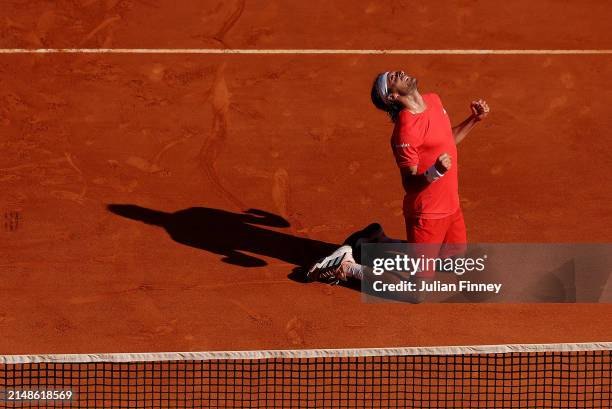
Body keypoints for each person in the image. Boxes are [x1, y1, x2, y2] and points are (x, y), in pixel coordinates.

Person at [307, 70, 489, 301]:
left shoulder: (433, 100)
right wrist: (435, 172)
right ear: (391, 97)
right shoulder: (405, 130)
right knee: (418, 293)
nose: (400, 73)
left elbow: (445, 140)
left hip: (451, 205)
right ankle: (346, 267)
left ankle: (376, 243)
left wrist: (474, 120)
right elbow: (410, 184)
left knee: (452, 262)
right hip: (427, 214)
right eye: (393, 78)